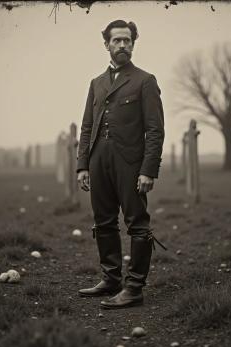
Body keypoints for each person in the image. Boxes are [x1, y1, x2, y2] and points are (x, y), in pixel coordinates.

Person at [76, 19, 165, 309]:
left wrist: (148, 170)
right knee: (103, 222)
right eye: (117, 41)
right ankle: (111, 279)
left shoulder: (145, 80)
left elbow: (155, 130)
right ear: (106, 45)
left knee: (137, 224)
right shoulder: (96, 83)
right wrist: (82, 166)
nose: (122, 45)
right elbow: (87, 127)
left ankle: (134, 288)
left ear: (133, 43)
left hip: (131, 165)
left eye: (127, 40)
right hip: (99, 161)